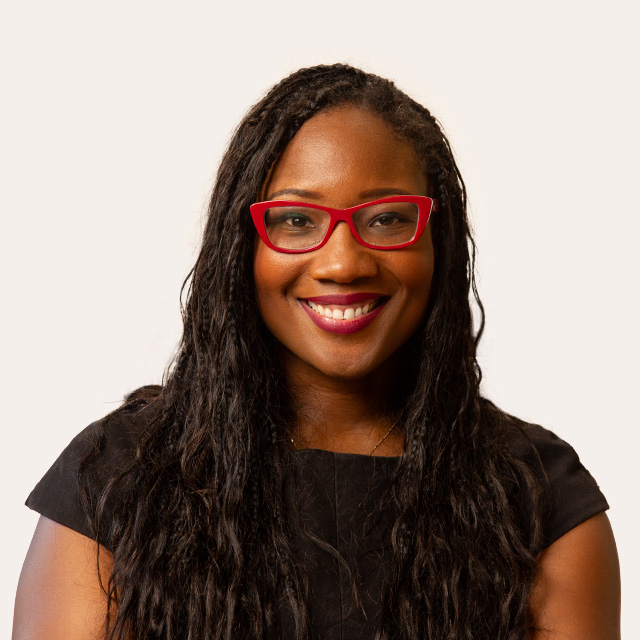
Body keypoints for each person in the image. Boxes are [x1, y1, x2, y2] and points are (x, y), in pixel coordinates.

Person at [13, 64, 620, 640]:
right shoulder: (115, 478)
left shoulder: (541, 496)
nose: (342, 262)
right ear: (241, 246)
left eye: (386, 219)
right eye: (297, 220)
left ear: (441, 241)